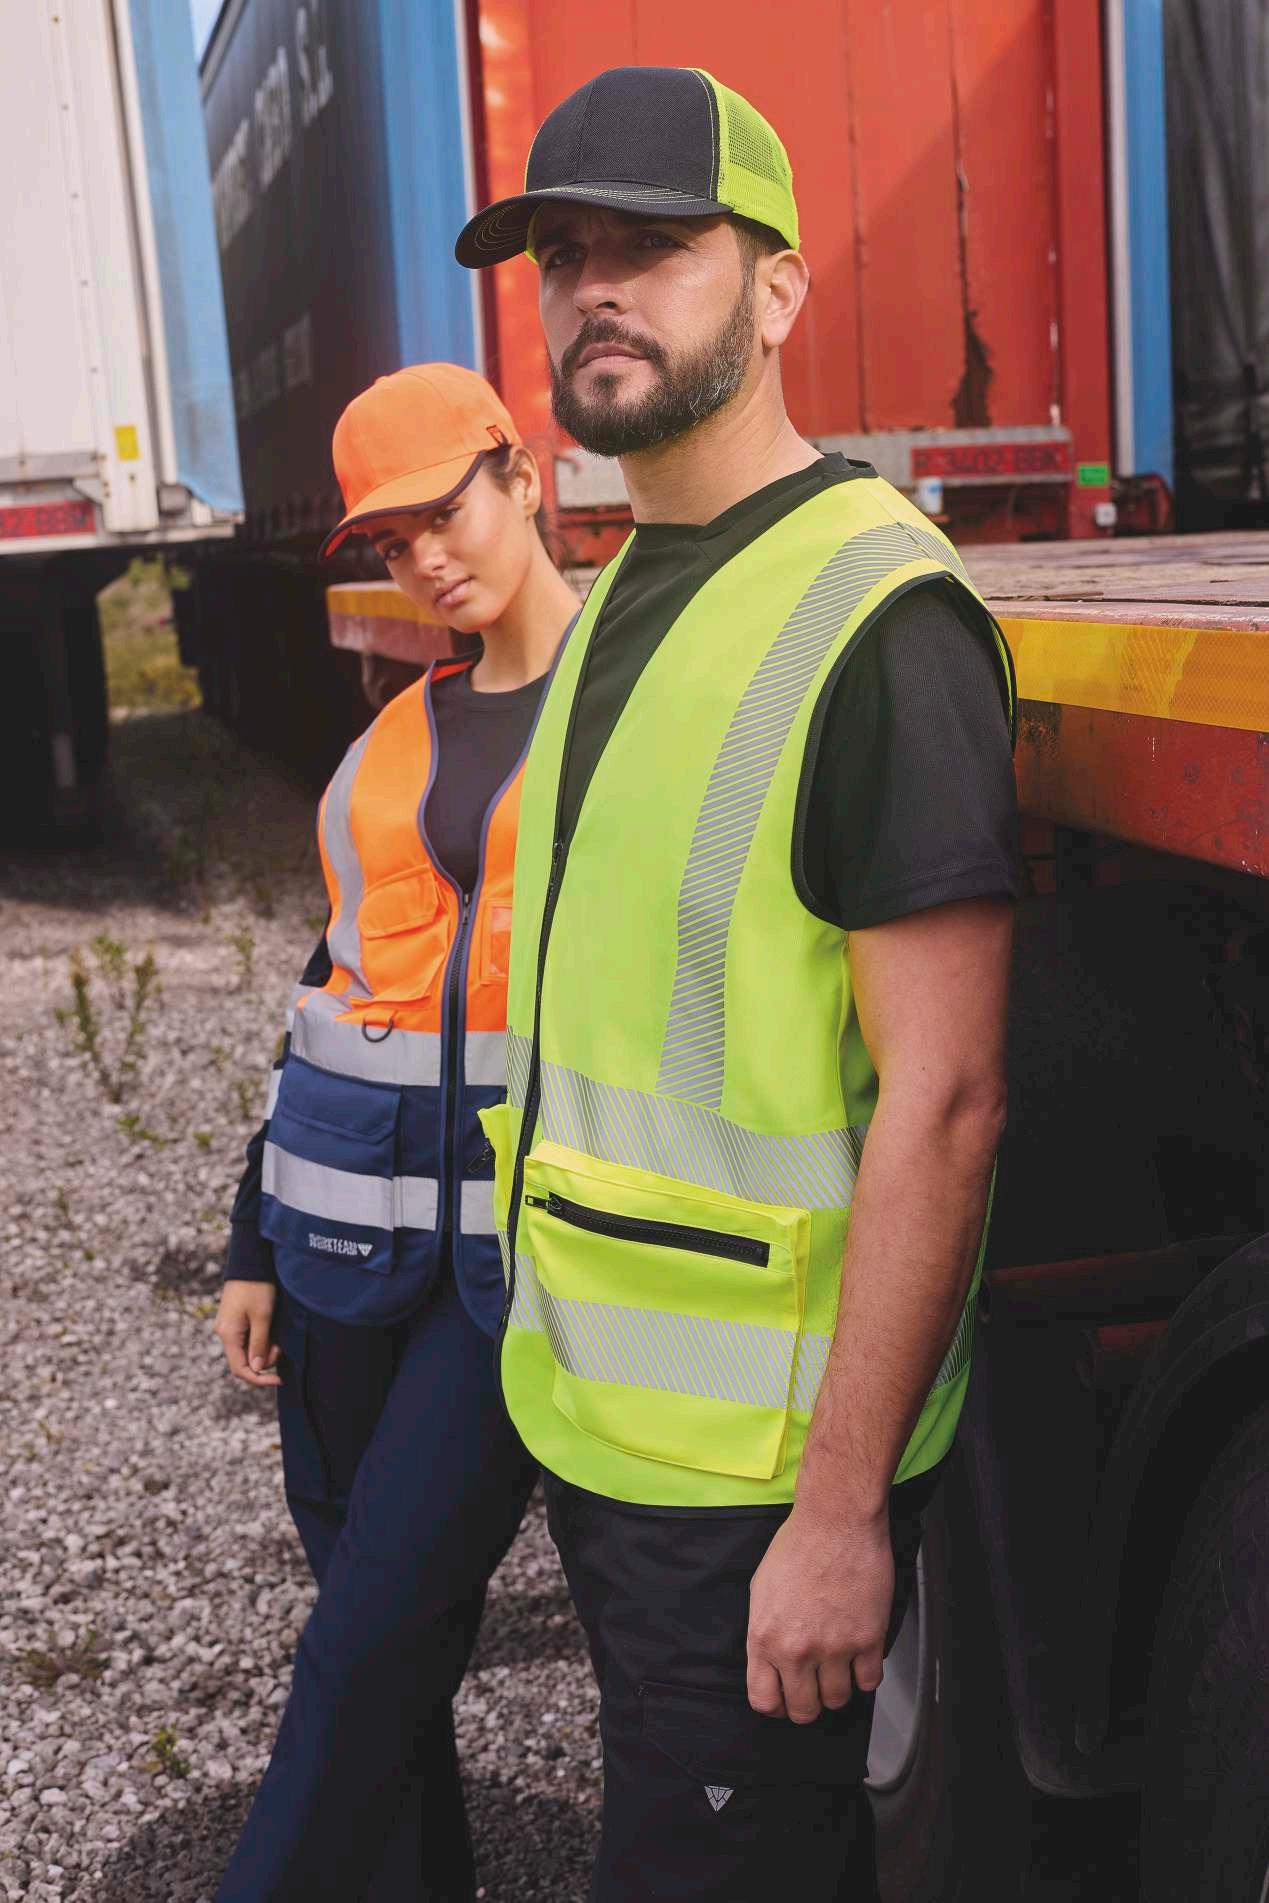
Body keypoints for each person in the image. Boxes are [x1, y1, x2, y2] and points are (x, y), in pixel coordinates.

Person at [455, 66, 1018, 1902]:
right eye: (562, 255)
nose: (593, 290)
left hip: (757, 1479)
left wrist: (840, 1517)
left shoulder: (875, 617)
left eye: (651, 247)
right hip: (617, 1430)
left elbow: (947, 1101)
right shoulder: (630, 578)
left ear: (776, 291)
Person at [211, 363, 578, 1903]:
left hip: (507, 1275)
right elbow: (338, 987)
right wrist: (250, 1239)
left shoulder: (629, 710)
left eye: (446, 511)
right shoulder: (392, 738)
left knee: (361, 1648)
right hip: (339, 1257)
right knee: (386, 1655)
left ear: (522, 474)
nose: (426, 558)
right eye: (390, 538)